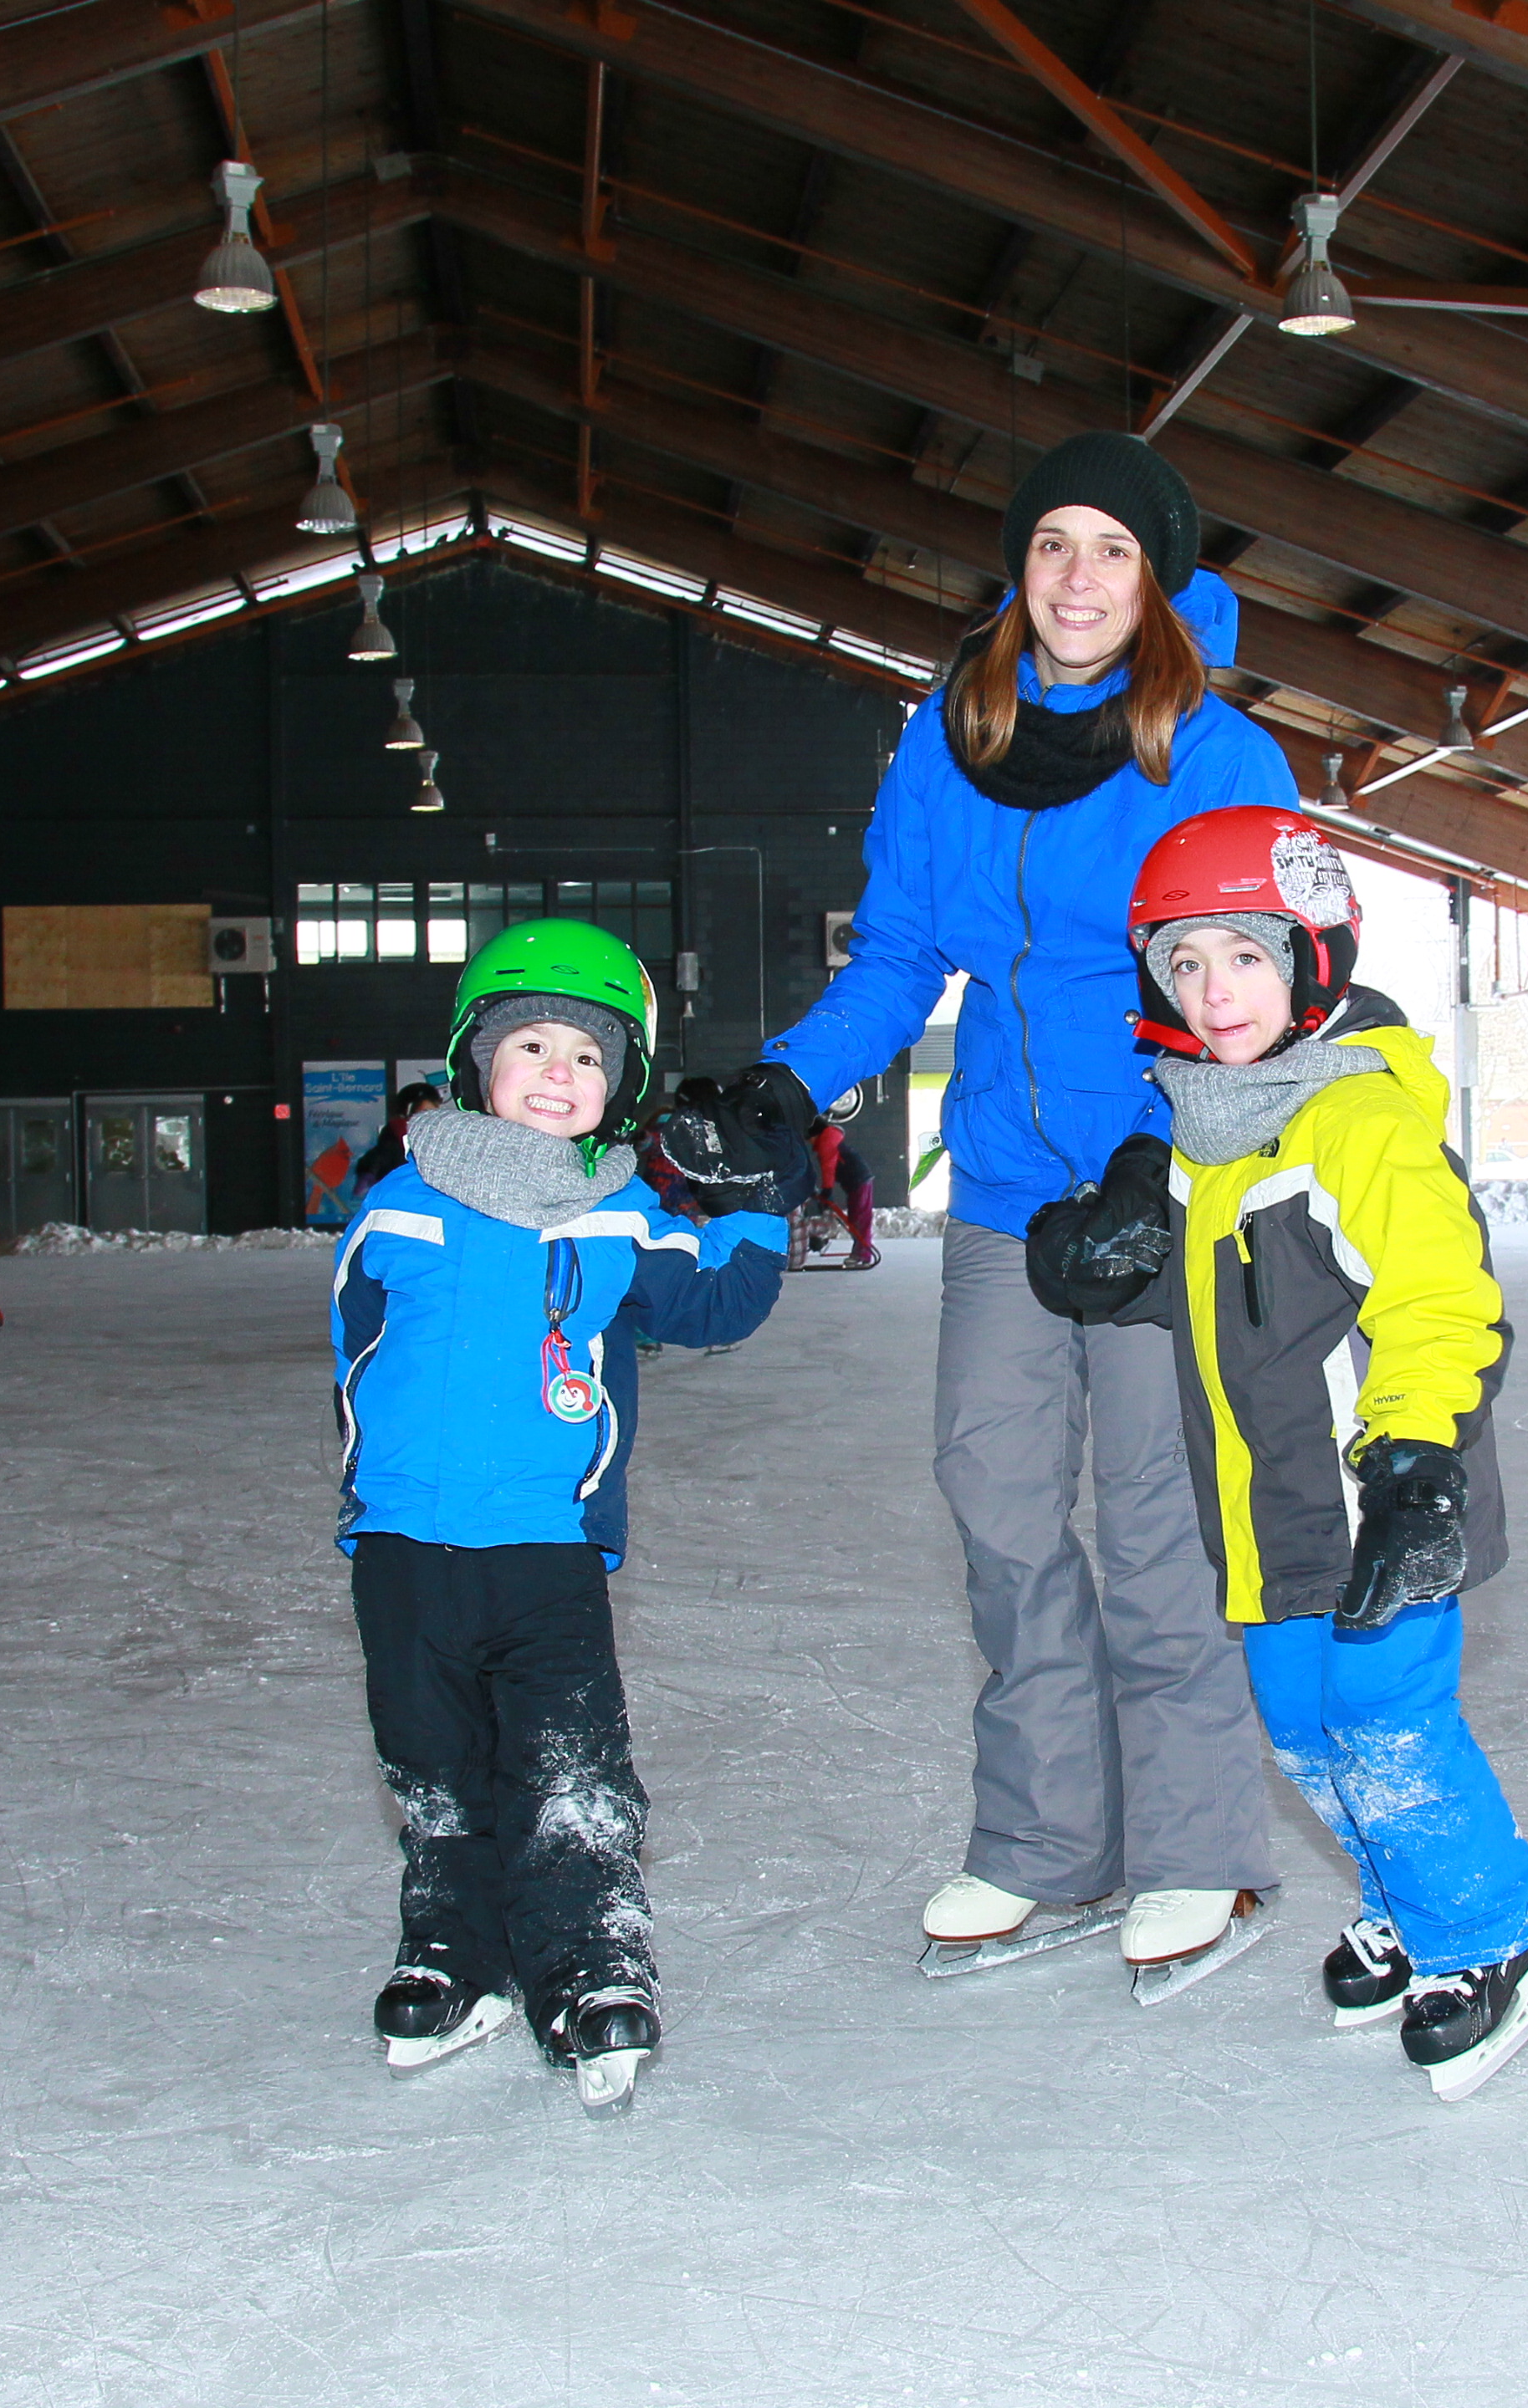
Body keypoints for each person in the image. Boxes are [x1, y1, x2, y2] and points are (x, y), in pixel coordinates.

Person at [658, 431, 1292, 1998]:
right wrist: (793, 1091)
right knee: (1003, 1519)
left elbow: (1256, 991)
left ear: (1157, 578)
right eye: (1053, 545)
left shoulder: (1213, 752)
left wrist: (1158, 1163)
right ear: (1020, 565)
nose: (1078, 579)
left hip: (1171, 1187)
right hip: (1008, 1197)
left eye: (1113, 551)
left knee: (1156, 1531)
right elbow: (897, 960)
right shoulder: (954, 738)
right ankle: (1041, 1843)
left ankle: (1200, 1849)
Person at [1024, 808, 1528, 2099]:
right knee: (1306, 1731)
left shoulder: (1362, 1122)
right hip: (1265, 1524)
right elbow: (1216, 1305)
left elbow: (1440, 1299)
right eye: (1187, 966)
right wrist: (1108, 1262)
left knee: (1387, 1718)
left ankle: (1491, 1938)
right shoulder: (1210, 1133)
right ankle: (1403, 1899)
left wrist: (1419, 1460)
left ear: (1312, 958)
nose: (1216, 995)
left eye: (1248, 960)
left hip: (1379, 1501)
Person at [331, 921, 800, 2113]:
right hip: (402, 1549)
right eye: (530, 1044)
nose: (557, 1072)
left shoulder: (616, 1213)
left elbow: (716, 1303)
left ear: (619, 1087)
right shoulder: (397, 1206)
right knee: (434, 1768)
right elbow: (358, 1343)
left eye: (588, 1058)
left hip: (545, 1548)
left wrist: (751, 1199)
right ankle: (454, 1953)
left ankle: (592, 1962)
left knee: (568, 1773)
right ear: (474, 1063)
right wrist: (374, 1474)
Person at [354, 1081, 442, 1204]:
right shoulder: (396, 1137)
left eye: (435, 1113)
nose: (432, 1119)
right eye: (425, 1112)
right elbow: (378, 1160)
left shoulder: (438, 1138)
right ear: (409, 1113)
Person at [807, 1116, 877, 1269]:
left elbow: (829, 1166)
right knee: (856, 1218)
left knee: (860, 1219)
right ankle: (861, 1252)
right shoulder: (829, 1137)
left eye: (809, 1138)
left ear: (815, 1134)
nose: (809, 1143)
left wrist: (827, 1189)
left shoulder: (827, 1140)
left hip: (858, 1180)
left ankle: (863, 1254)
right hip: (856, 1181)